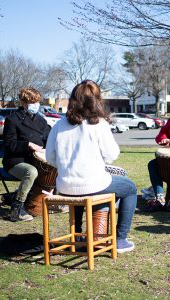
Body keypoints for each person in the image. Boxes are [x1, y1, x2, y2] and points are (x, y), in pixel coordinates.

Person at [45, 80, 137, 253]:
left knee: (83, 190)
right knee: (130, 188)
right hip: (94, 185)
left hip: (64, 186)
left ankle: (78, 237)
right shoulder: (99, 124)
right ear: (96, 100)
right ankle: (120, 240)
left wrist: (67, 167)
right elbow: (112, 156)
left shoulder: (58, 125)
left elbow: (49, 157)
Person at [3, 87, 50, 222]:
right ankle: (16, 209)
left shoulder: (41, 120)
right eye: (32, 102)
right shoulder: (12, 119)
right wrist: (27, 145)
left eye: (37, 102)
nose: (35, 105)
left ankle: (50, 200)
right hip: (15, 161)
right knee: (32, 172)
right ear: (23, 103)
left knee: (55, 166)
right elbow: (9, 144)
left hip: (36, 160)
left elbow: (47, 139)